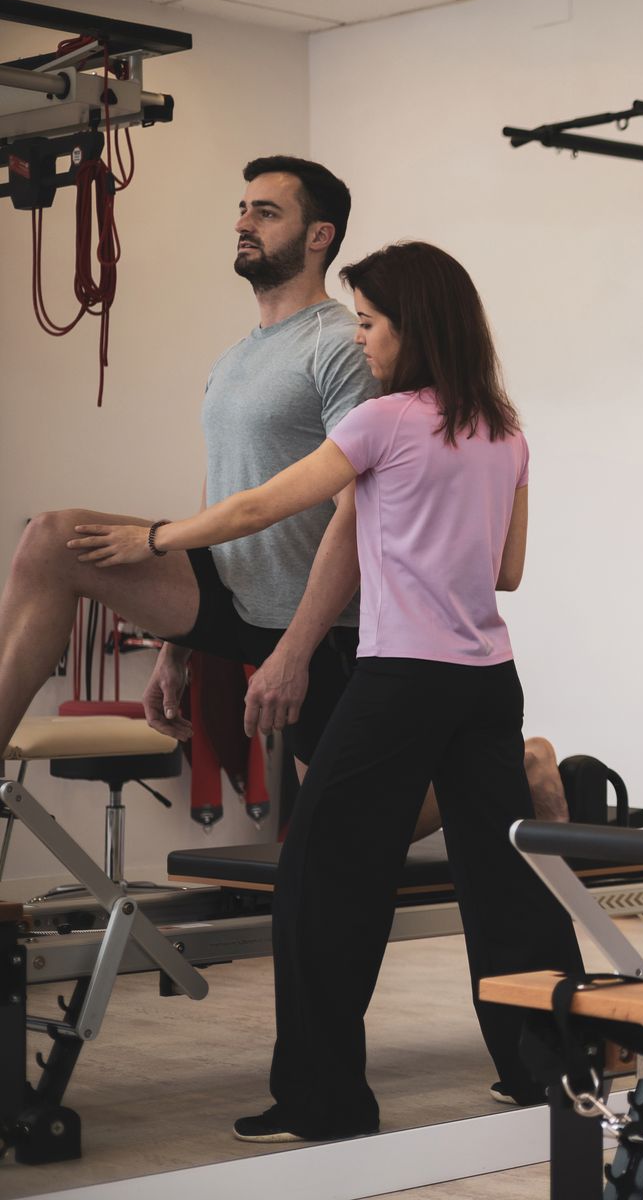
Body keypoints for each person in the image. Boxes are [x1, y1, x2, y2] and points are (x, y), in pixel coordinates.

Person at [70, 241, 584, 1142]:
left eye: (371, 322)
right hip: (490, 683)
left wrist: (156, 537)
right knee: (500, 881)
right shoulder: (506, 433)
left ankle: (326, 1099)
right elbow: (507, 569)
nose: (363, 338)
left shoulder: (383, 422)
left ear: (413, 328)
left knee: (317, 881)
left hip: (403, 680)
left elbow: (257, 507)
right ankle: (543, 1072)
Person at [0, 157, 372, 770]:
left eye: (267, 212)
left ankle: (526, 766)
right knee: (51, 539)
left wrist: (294, 653)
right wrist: (178, 647)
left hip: (311, 618)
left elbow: (357, 514)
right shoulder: (233, 360)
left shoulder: (338, 346)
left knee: (355, 821)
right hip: (228, 592)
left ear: (319, 236)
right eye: (243, 209)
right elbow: (219, 501)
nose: (243, 223)